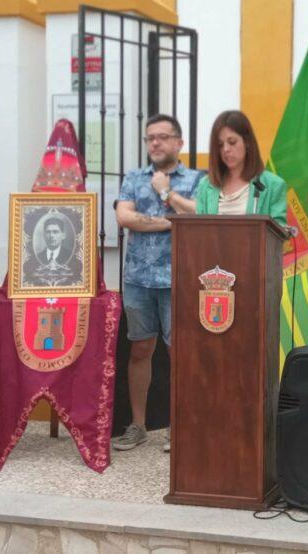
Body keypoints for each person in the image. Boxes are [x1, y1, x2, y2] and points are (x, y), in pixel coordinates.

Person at [113, 114, 202, 452]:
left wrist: (166, 195)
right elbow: (124, 217)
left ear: (179, 143)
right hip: (137, 280)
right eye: (150, 138)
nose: (155, 143)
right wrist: (171, 222)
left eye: (163, 137)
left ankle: (178, 428)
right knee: (140, 349)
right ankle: (138, 425)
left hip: (177, 278)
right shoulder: (134, 178)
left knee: (178, 352)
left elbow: (199, 215)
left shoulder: (195, 180)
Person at [194, 110, 287, 225]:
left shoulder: (274, 185)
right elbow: (199, 231)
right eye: (220, 145)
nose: (226, 149)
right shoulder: (206, 184)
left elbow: (277, 236)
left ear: (247, 142)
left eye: (232, 142)